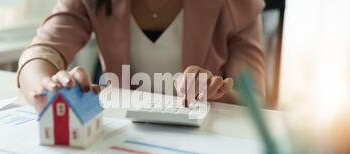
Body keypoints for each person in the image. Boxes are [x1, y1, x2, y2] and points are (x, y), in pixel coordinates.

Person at [17, 0, 266, 112]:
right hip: (128, 139)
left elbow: (254, 99)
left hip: (206, 140)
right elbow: (42, 51)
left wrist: (218, 92)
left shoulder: (238, 4)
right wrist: (47, 87)